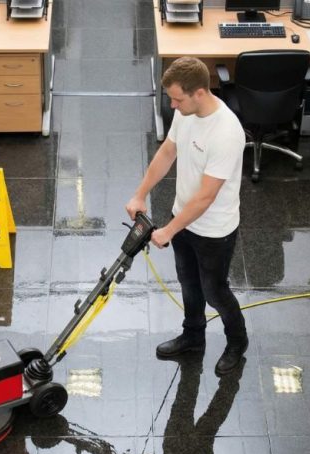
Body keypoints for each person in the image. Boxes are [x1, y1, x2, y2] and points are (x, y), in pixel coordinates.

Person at [125, 56, 248, 375]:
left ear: (200, 93)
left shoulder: (226, 132)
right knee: (188, 284)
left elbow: (207, 196)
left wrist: (168, 230)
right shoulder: (185, 113)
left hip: (214, 231)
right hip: (183, 220)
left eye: (177, 99)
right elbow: (167, 152)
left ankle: (237, 342)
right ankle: (193, 336)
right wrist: (141, 193)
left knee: (214, 291)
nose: (173, 105)